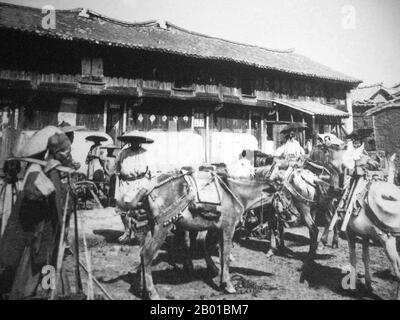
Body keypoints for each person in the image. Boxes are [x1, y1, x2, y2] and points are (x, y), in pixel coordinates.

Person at [0, 126, 74, 299]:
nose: (68, 155)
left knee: (50, 265)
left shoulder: (55, 168)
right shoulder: (36, 169)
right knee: (31, 273)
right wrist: (44, 183)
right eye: (64, 152)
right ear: (52, 152)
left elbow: (59, 196)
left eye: (69, 151)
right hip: (34, 234)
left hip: (51, 229)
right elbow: (32, 194)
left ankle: (50, 291)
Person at [114, 133, 153, 243]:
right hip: (125, 184)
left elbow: (150, 171)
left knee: (139, 210)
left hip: (139, 183)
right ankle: (127, 231)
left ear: (140, 142)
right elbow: (116, 166)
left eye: (137, 141)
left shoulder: (145, 153)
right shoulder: (123, 152)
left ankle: (138, 233)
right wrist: (120, 176)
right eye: (132, 141)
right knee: (122, 209)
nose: (134, 143)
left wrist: (145, 185)